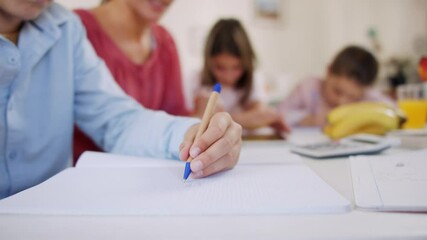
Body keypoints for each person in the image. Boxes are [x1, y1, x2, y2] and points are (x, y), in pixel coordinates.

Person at [0, 0, 241, 199]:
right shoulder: (81, 25)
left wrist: (190, 132)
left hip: (58, 214)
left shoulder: (66, 28)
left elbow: (118, 120)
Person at [73, 0, 190, 161]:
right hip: (79, 176)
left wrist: (197, 128)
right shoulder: (72, 31)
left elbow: (175, 118)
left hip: (148, 177)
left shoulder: (165, 42)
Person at [193, 18, 289, 133]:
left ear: (247, 62)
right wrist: (246, 118)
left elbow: (259, 115)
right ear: (208, 62)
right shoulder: (195, 80)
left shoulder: (253, 78)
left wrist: (215, 118)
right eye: (220, 67)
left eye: (236, 67)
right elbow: (187, 120)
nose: (228, 76)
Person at [277, 45, 394, 127]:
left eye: (352, 98)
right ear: (328, 72)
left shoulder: (368, 96)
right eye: (337, 91)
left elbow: (394, 111)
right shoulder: (308, 87)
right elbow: (278, 114)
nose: (341, 102)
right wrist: (306, 119)